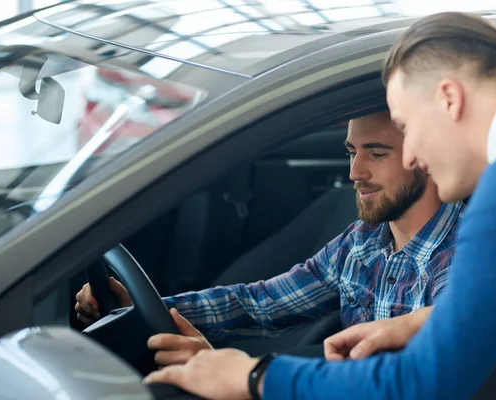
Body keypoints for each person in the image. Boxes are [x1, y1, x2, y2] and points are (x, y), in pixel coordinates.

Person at [144, 12, 496, 400]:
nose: (414, 155)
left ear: (449, 99)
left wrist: (253, 375)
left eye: (404, 125)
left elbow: (423, 385)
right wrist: (423, 322)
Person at [76, 111, 464, 366]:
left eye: (376, 154)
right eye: (351, 153)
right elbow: (261, 304)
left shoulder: (464, 261)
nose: (354, 172)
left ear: (426, 156)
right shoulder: (363, 241)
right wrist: (146, 308)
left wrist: (242, 376)